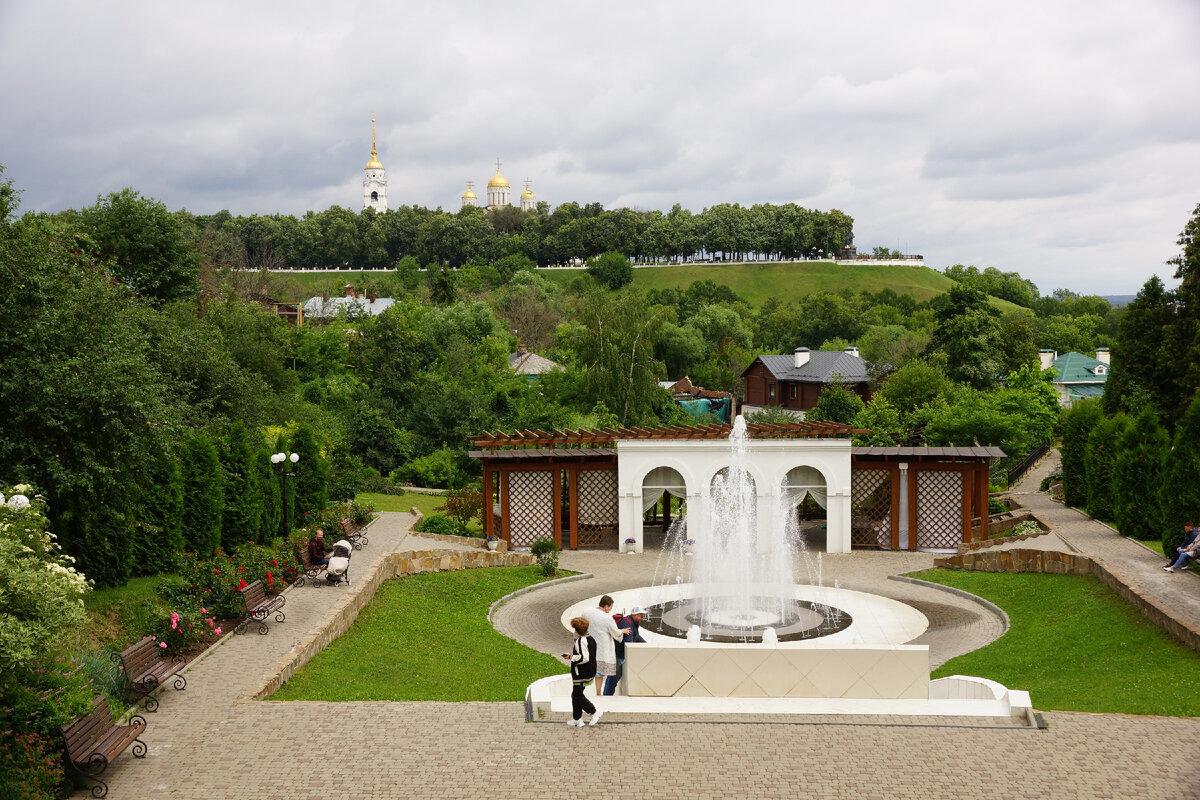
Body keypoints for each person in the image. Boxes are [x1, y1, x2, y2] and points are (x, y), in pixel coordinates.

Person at [582, 595, 630, 696]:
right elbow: (615, 633)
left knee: (587, 669)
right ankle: (598, 693)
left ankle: (583, 690)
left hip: (588, 644)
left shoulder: (587, 612)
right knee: (599, 672)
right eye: (610, 607)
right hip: (601, 648)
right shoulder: (607, 618)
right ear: (606, 606)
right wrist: (623, 631)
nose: (610, 610)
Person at [561, 616, 599, 727]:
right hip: (589, 670)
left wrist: (571, 657)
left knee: (577, 695)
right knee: (576, 694)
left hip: (581, 673)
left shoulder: (580, 641)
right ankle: (577, 719)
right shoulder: (591, 638)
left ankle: (593, 712)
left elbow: (584, 658)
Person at [603, 605, 648, 696]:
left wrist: (645, 644)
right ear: (635, 615)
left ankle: (607, 695)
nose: (642, 618)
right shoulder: (627, 624)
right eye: (641, 615)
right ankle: (607, 696)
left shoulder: (632, 623)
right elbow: (628, 643)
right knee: (613, 678)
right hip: (618, 655)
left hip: (619, 654)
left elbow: (636, 636)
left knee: (613, 677)